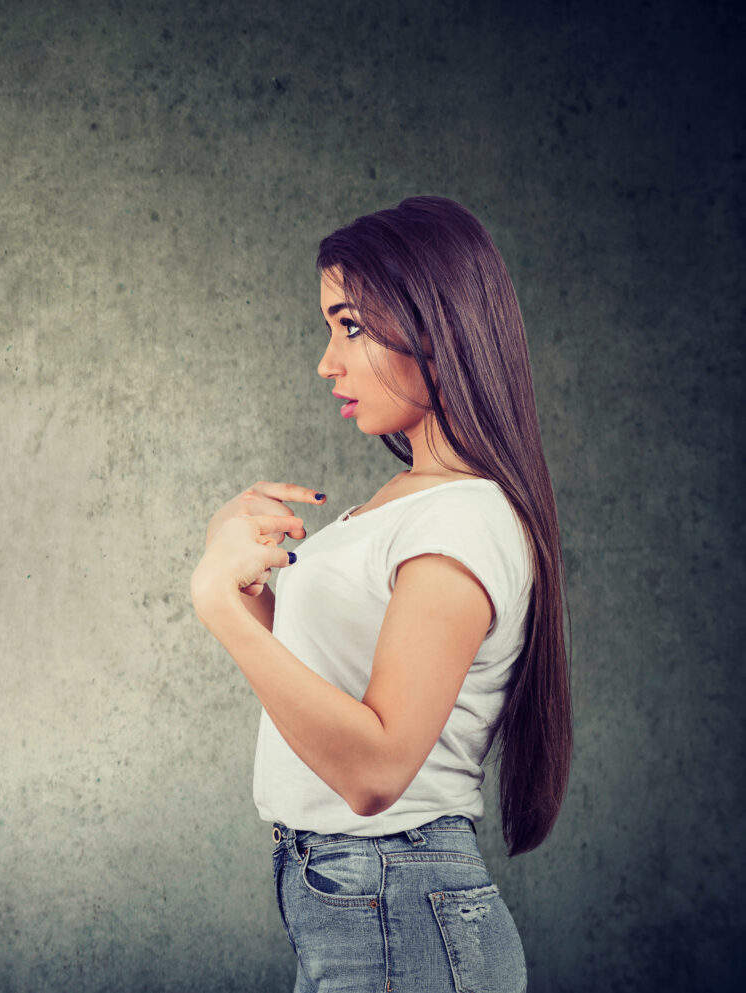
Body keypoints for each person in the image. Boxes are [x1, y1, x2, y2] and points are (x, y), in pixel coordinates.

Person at [189, 195, 571, 992]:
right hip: (361, 900)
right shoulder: (413, 500)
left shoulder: (463, 519)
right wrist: (237, 566)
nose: (327, 361)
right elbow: (327, 683)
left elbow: (376, 767)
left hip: (395, 899)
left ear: (436, 326)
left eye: (350, 325)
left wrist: (220, 607)